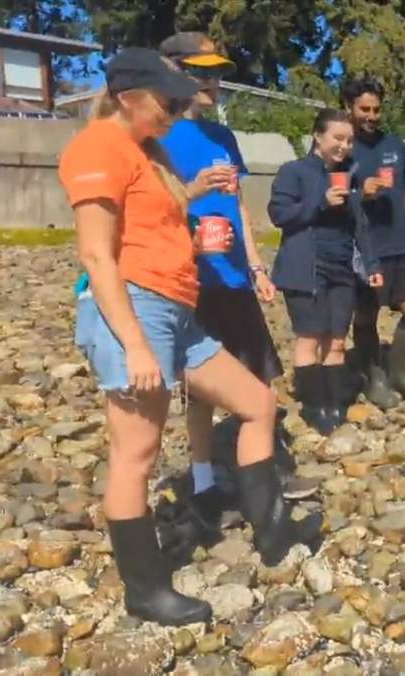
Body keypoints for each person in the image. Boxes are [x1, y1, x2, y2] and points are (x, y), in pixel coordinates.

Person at [60, 48, 322, 626]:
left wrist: (195, 200)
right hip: (136, 309)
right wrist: (133, 344)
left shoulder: (142, 149)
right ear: (129, 97)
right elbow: (97, 256)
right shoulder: (97, 148)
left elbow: (155, 218)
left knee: (258, 402)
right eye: (169, 103)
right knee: (137, 454)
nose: (177, 115)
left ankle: (273, 531)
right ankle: (146, 589)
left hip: (177, 310)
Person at [156, 32, 306, 534]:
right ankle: (202, 484)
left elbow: (238, 206)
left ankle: (258, 480)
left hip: (234, 276)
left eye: (217, 71)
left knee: (258, 378)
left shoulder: (224, 138)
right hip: (190, 278)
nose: (212, 81)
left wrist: (257, 266)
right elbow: (150, 212)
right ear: (171, 69)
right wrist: (191, 203)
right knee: (200, 390)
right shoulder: (157, 136)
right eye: (201, 71)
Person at [269, 109, 376, 435]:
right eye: (338, 138)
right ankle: (314, 405)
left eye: (349, 140)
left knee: (338, 340)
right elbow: (279, 214)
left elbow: (360, 225)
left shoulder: (350, 177)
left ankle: (334, 403)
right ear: (318, 136)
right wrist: (321, 201)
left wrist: (372, 264)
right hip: (305, 267)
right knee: (310, 338)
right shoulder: (294, 172)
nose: (344, 146)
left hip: (342, 268)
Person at [343, 77, 405, 407]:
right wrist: (358, 192)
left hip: (403, 242)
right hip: (366, 247)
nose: (371, 115)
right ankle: (374, 378)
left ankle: (399, 372)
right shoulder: (342, 146)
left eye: (376, 109)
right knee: (366, 314)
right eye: (364, 109)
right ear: (348, 108)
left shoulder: (395, 144)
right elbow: (329, 195)